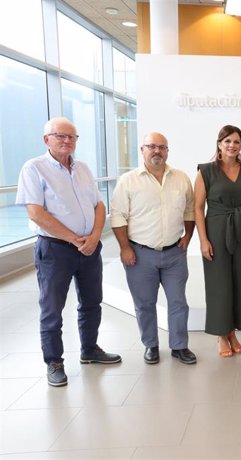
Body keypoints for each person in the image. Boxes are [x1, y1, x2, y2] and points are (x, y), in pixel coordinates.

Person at [15, 117, 121, 387]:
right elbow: (36, 213)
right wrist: (75, 239)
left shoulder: (83, 169)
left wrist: (95, 236)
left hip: (89, 247)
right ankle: (54, 362)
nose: (67, 141)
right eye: (60, 135)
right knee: (52, 309)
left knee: (91, 302)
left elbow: (98, 205)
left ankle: (89, 350)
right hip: (55, 250)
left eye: (72, 137)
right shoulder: (34, 168)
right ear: (46, 139)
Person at [110, 132, 197, 365]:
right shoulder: (128, 180)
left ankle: (180, 346)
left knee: (178, 302)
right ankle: (151, 345)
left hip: (174, 253)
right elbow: (118, 216)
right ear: (142, 150)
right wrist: (124, 248)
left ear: (167, 151)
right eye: (151, 146)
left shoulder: (181, 178)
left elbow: (190, 210)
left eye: (162, 147)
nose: (157, 151)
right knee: (145, 303)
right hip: (140, 254)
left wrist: (188, 236)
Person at [194, 125, 241, 357]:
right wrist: (203, 240)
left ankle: (233, 332)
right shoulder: (206, 171)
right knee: (219, 284)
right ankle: (222, 335)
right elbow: (198, 208)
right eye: (227, 141)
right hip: (216, 230)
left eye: (237, 141)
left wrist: (237, 216)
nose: (232, 145)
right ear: (219, 143)